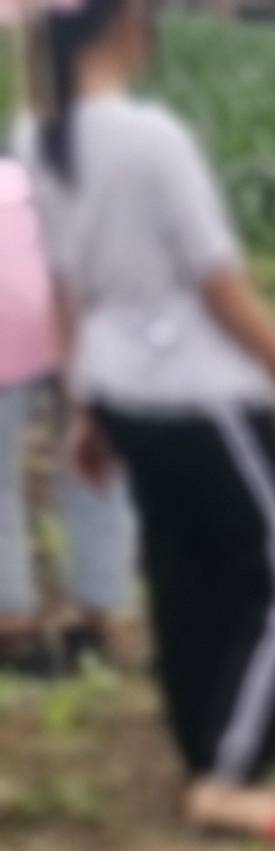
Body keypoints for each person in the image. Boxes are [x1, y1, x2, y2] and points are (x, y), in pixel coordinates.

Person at [16, 0, 275, 844]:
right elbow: (221, 283)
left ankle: (205, 754)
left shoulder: (37, 133)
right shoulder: (148, 138)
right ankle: (232, 775)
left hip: (123, 388)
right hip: (200, 388)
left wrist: (85, 408)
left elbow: (67, 290)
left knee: (185, 577)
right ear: (127, 20)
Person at [0, 149, 135, 680]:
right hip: (78, 325)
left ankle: (13, 625)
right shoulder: (35, 174)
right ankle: (97, 618)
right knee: (95, 468)